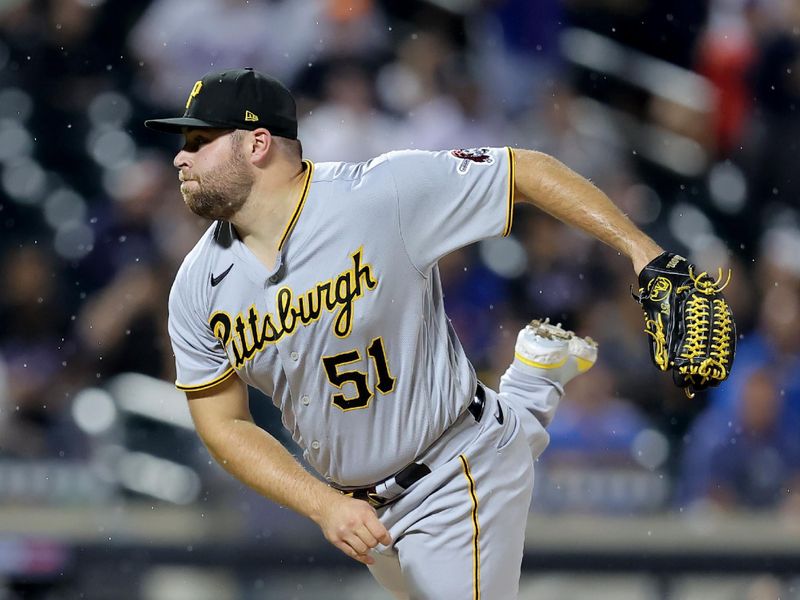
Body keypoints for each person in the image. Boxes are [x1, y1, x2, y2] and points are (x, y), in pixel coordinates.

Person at [145, 67, 663, 599]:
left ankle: (522, 405)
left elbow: (523, 171)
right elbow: (223, 424)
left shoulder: (378, 194)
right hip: (363, 514)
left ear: (257, 143)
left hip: (456, 469)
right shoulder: (196, 286)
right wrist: (321, 503)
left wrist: (641, 250)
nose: (180, 157)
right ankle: (531, 386)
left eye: (199, 140)